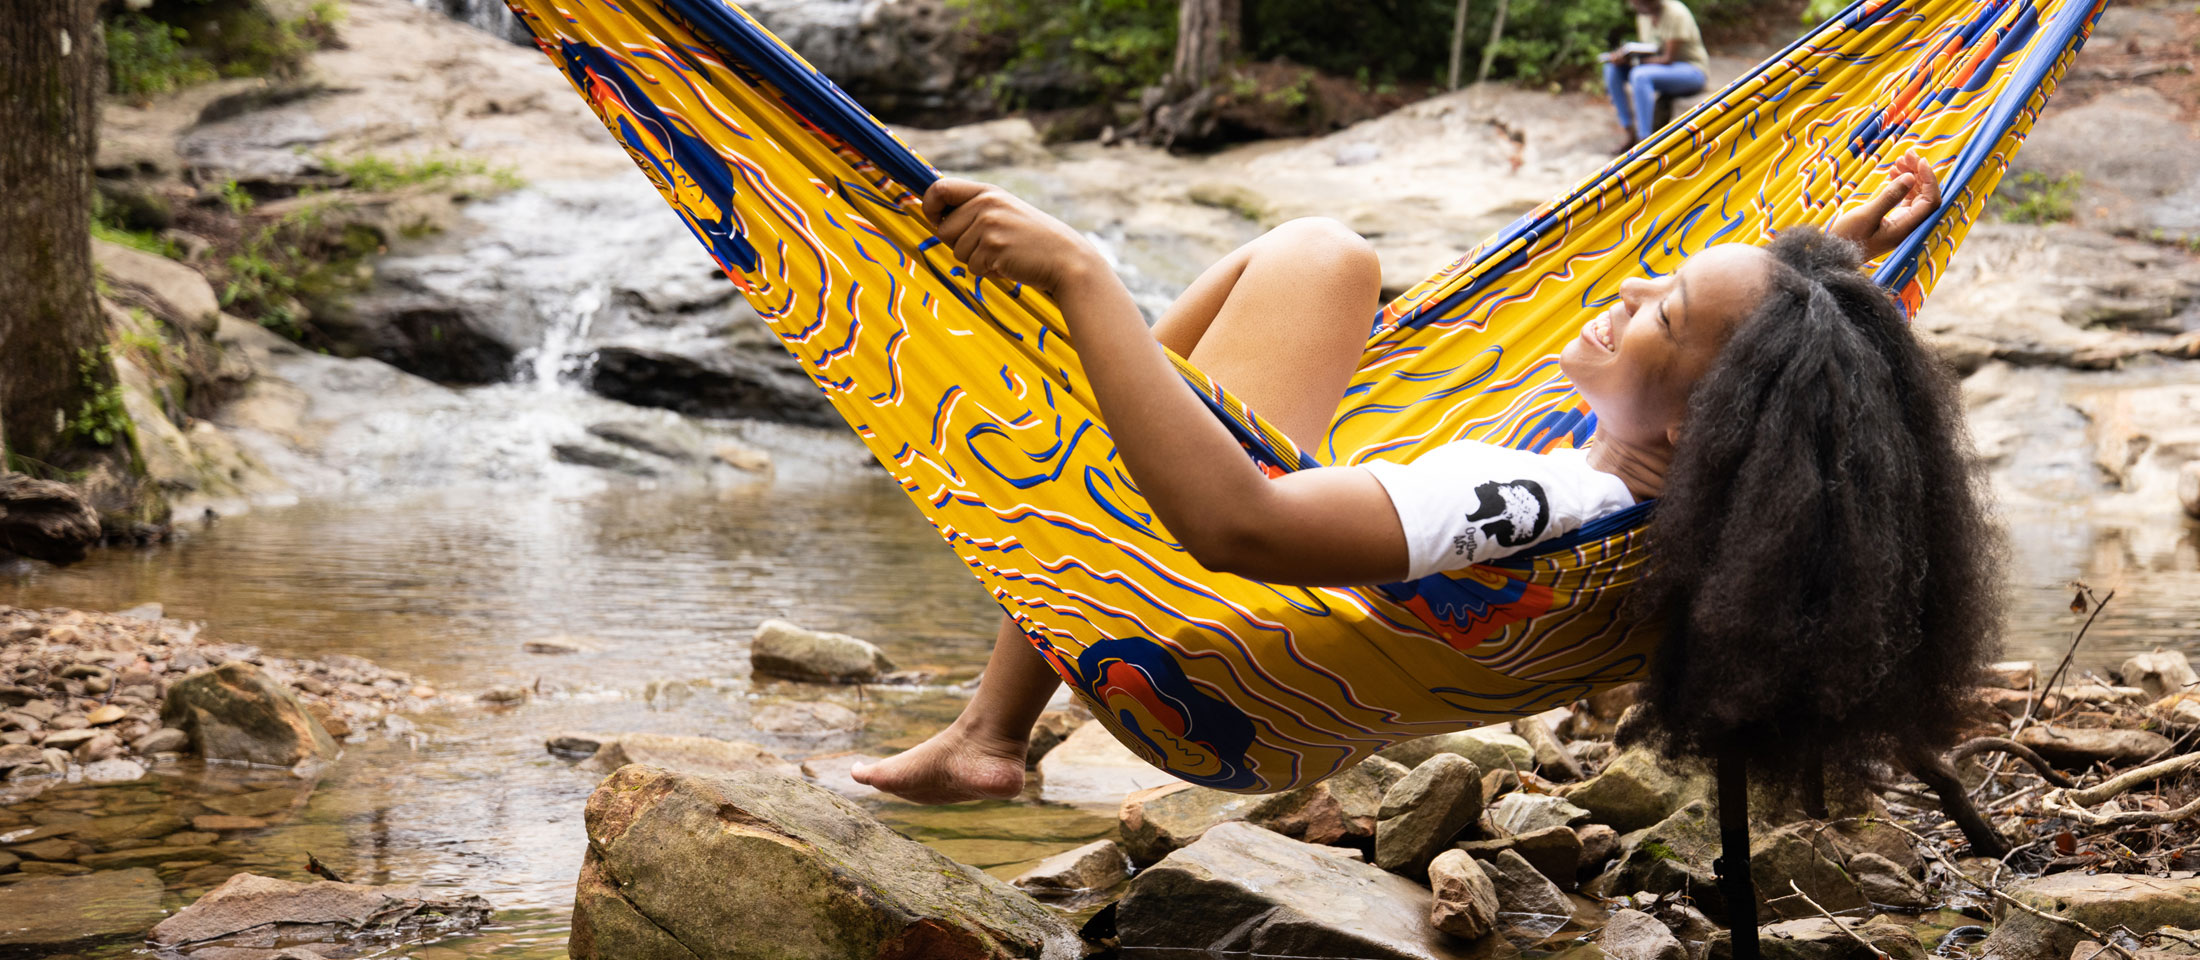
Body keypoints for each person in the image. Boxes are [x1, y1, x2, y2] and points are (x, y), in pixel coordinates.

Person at [851, 148, 1998, 805]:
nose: (1630, 291)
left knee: (1315, 253)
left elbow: (1231, 524)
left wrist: (1080, 278)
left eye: (1665, 308)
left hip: (1196, 657)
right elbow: (1759, 373)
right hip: (1286, 680)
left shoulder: (1532, 507)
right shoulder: (1688, 508)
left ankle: (987, 733)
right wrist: (1830, 255)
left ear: (1714, 413)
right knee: (1334, 263)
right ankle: (985, 743)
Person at [1603, 0, 1711, 151]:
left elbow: (1667, 58)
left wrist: (1634, 62)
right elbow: (1651, 51)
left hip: (1692, 71)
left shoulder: (1676, 13)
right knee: (1611, 69)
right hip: (1661, 70)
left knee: (1639, 75)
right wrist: (1625, 59)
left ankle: (1644, 141)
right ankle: (1629, 132)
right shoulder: (1643, 15)